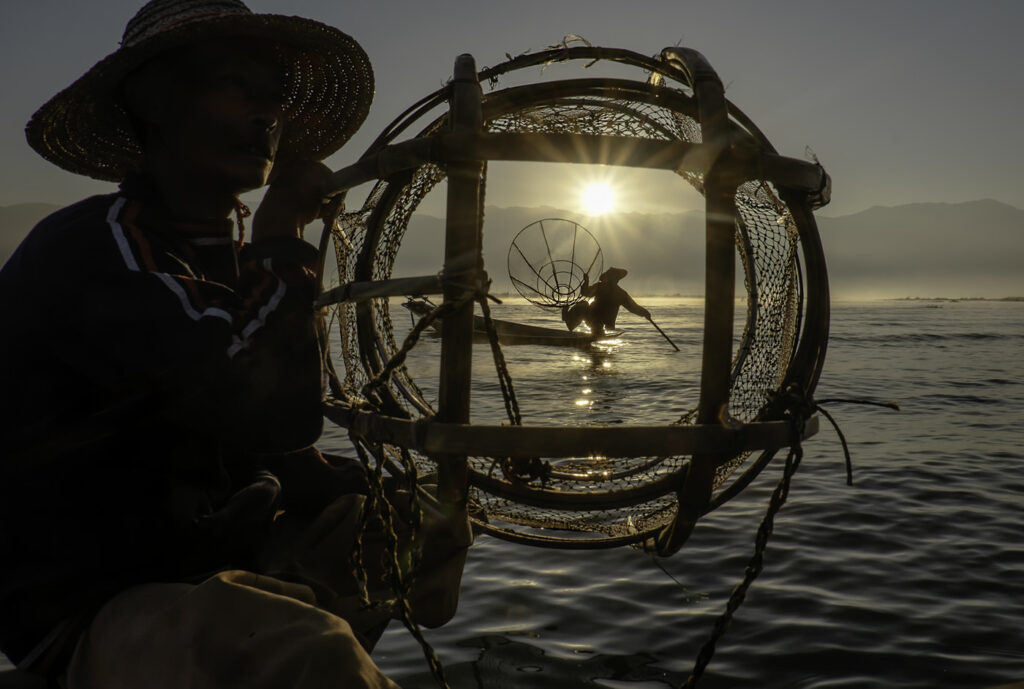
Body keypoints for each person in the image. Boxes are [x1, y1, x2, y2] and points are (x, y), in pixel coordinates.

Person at [0, 1, 468, 687]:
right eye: (231, 84)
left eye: (272, 94)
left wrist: (381, 494)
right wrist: (282, 231)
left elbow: (253, 438)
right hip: (83, 605)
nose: (263, 114)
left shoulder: (211, 254)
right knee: (309, 649)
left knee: (413, 517)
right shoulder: (102, 249)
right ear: (155, 102)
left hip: (190, 552)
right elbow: (263, 411)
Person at [561, 267, 651, 336]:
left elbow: (633, 308)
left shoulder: (616, 292)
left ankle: (571, 321)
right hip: (597, 318)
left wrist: (645, 313)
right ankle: (592, 329)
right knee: (583, 304)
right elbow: (585, 293)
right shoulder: (615, 291)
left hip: (598, 319)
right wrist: (586, 281)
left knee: (582, 305)